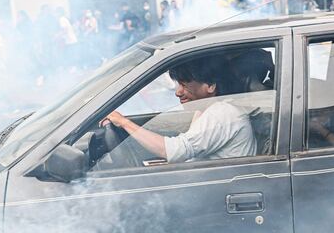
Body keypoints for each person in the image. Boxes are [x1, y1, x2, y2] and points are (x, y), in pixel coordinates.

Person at [102, 56, 255, 163]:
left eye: (185, 85)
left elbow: (177, 151)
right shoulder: (208, 110)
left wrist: (124, 122)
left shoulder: (224, 113)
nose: (178, 92)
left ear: (210, 85)